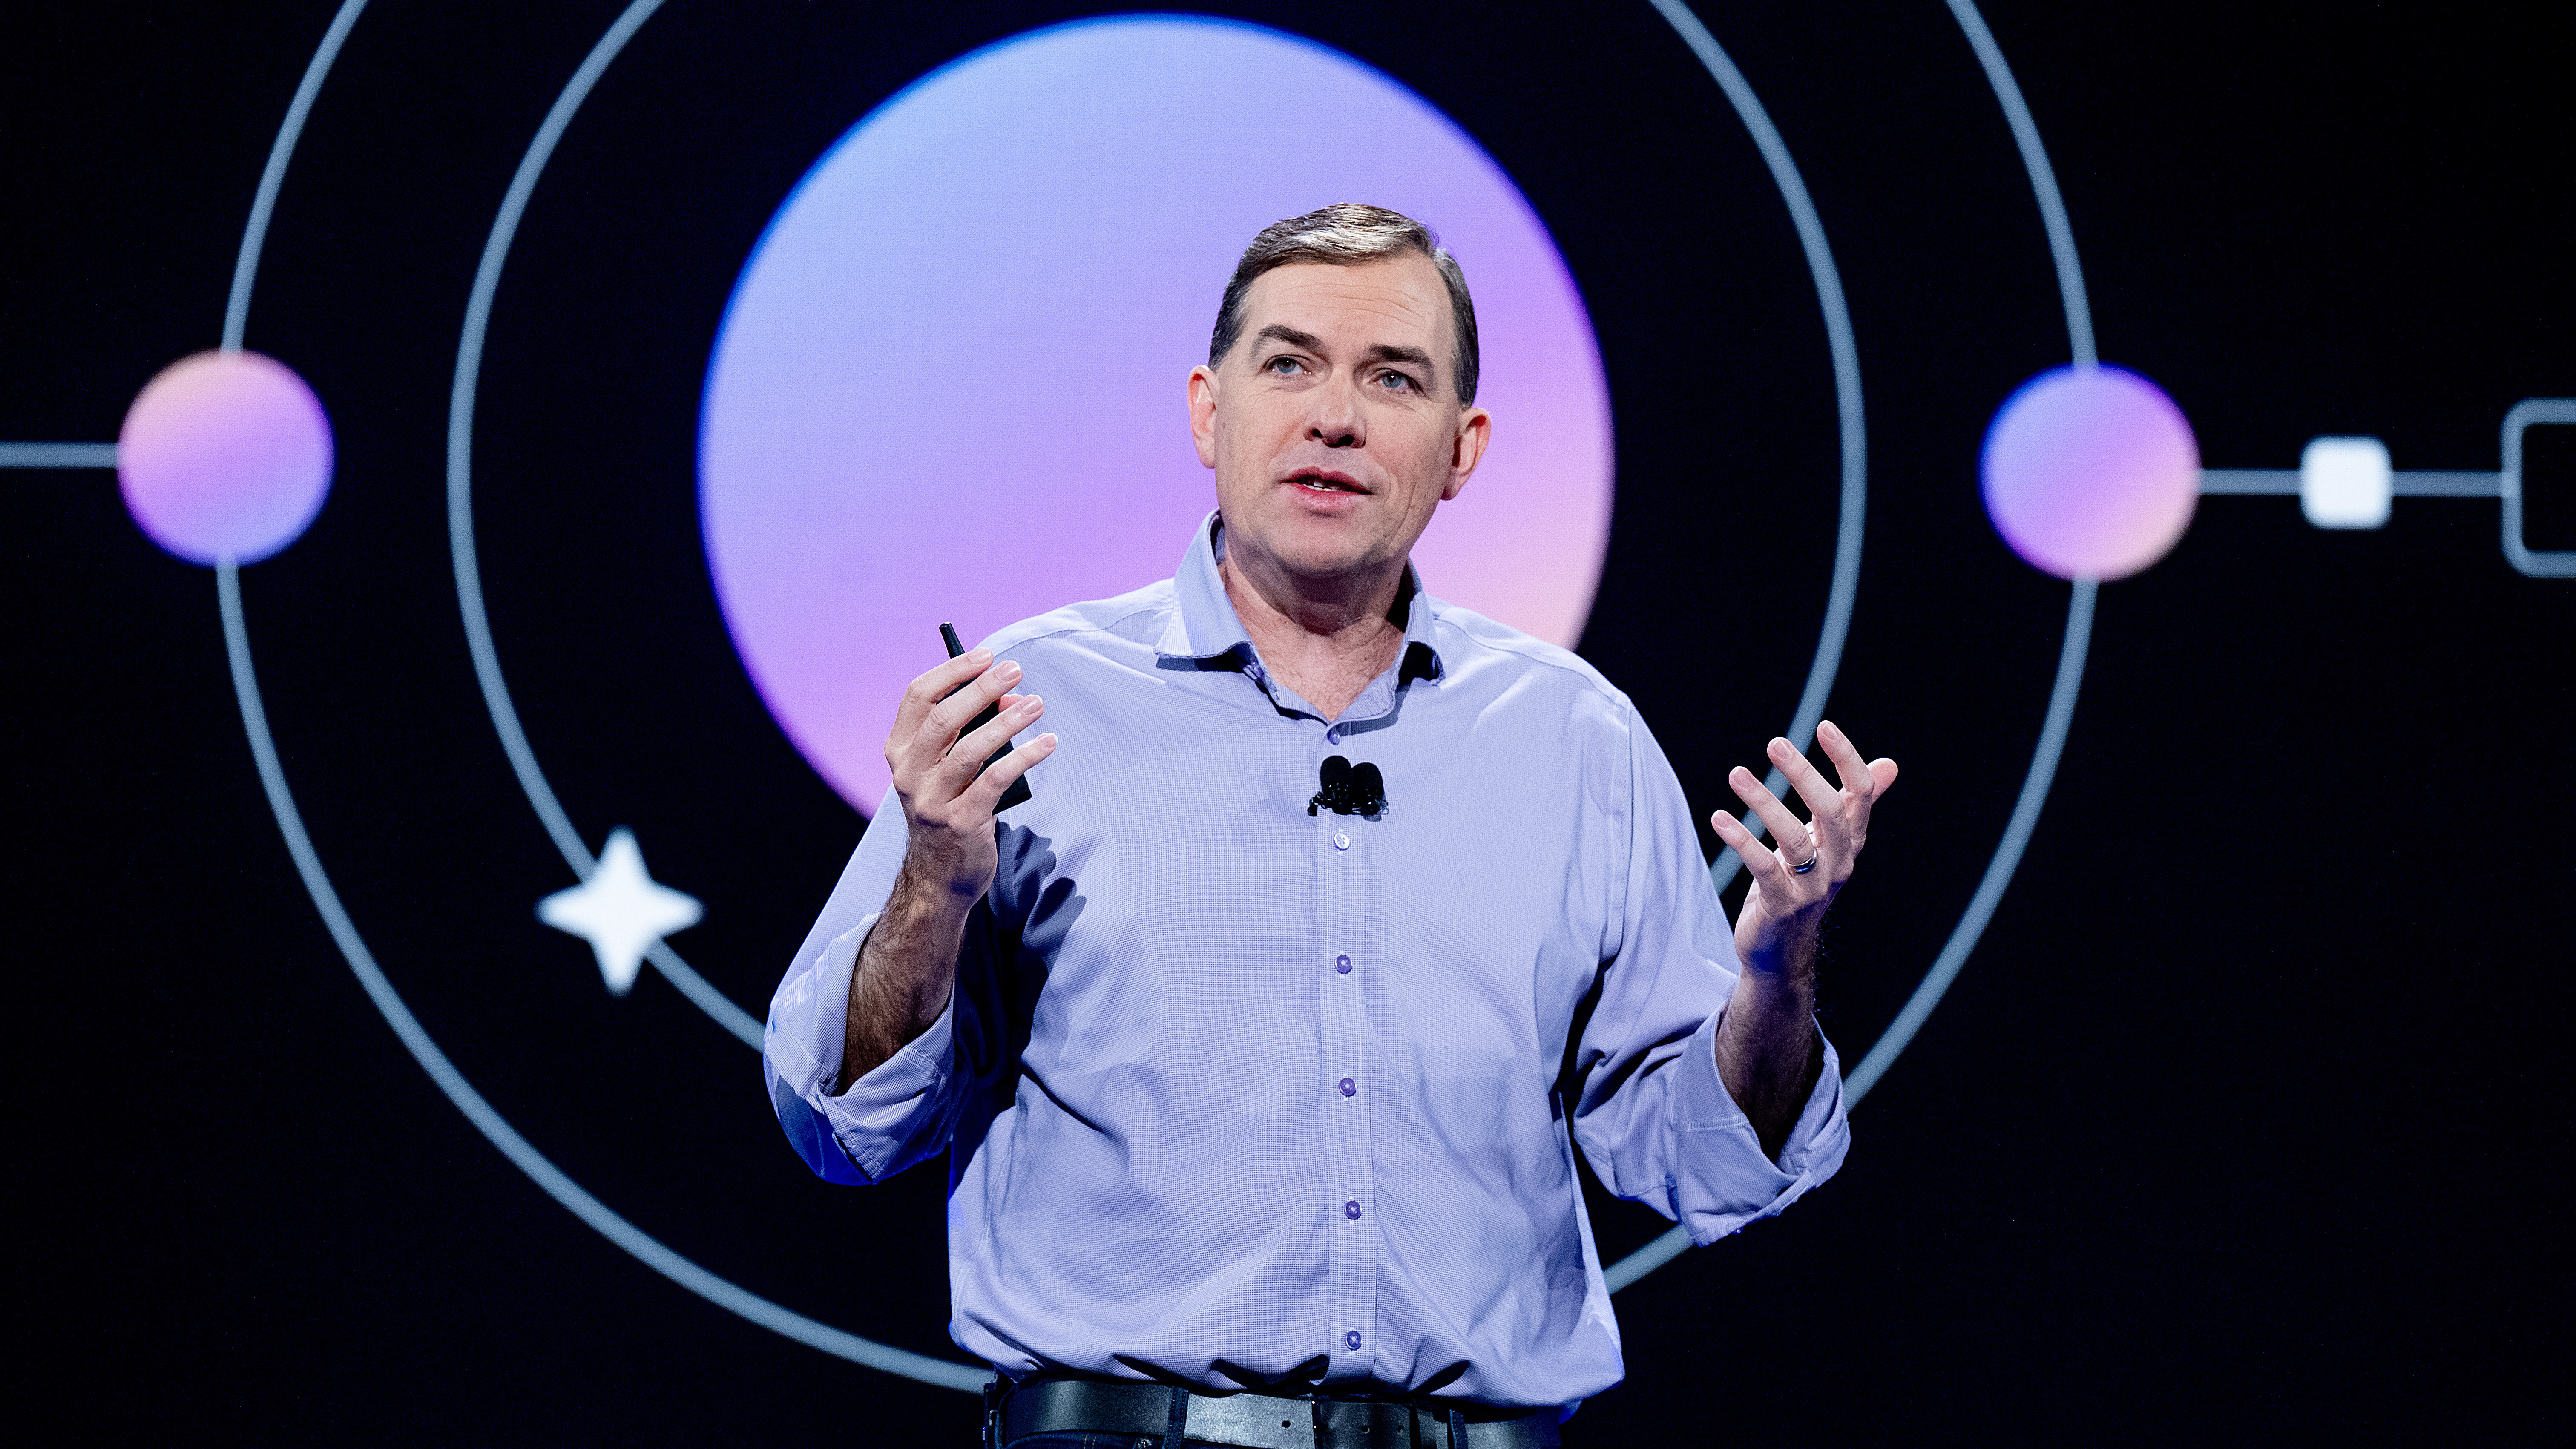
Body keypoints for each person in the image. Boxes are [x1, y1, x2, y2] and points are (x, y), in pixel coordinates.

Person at [762, 204, 1898, 1448]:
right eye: (1289, 363)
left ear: (1463, 448)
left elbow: (1705, 1162)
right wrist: (933, 881)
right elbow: (839, 1121)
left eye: (1392, 377)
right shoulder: (1030, 705)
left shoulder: (1577, 738)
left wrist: (1779, 976)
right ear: (1209, 410)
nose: (1334, 415)